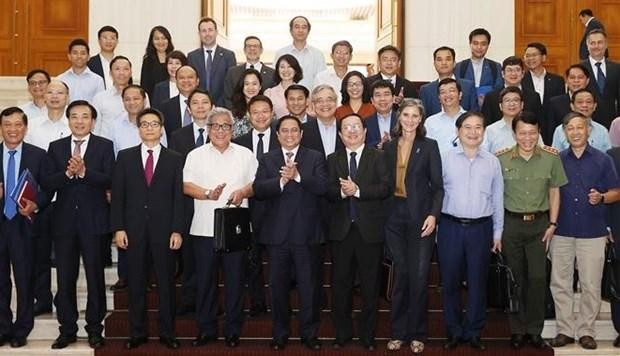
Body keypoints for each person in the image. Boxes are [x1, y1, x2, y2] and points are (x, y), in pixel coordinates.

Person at [111, 108, 184, 350]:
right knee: (136, 284)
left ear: (161, 128)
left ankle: (167, 332)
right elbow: (118, 196)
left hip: (165, 232)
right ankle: (137, 332)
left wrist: (177, 230)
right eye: (145, 124)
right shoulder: (125, 157)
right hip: (133, 231)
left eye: (154, 124)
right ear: (139, 128)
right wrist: (118, 228)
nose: (150, 128)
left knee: (166, 285)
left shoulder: (175, 158)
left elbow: (178, 198)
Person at [182, 108, 256, 348]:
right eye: (216, 126)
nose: (221, 130)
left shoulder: (245, 154)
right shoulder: (195, 154)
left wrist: (243, 192)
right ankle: (207, 329)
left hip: (236, 229)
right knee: (205, 282)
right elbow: (185, 185)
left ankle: (233, 329)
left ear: (232, 130)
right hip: (204, 229)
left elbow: (256, 183)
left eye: (226, 126)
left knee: (235, 281)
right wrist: (207, 193)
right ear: (208, 128)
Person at [253, 115, 328, 351]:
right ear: (277, 135)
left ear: (301, 133)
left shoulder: (314, 157)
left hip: (307, 236)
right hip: (277, 237)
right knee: (278, 289)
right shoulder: (267, 159)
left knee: (309, 288)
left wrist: (298, 177)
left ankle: (309, 333)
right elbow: (259, 189)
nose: (289, 135)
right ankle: (280, 333)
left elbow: (323, 186)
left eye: (294, 130)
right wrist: (281, 181)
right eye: (284, 131)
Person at [44, 100, 114, 350]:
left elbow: (110, 178)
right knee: (65, 279)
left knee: (95, 278)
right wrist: (67, 174)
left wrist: (84, 172)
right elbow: (48, 182)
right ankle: (67, 330)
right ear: (68, 119)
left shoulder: (104, 146)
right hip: (63, 224)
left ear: (93, 121)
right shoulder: (56, 147)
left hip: (94, 223)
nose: (80, 121)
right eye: (75, 116)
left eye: (85, 117)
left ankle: (95, 329)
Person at [548, 111, 620, 350]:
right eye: (571, 128)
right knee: (560, 283)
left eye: (580, 127)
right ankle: (565, 330)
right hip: (562, 230)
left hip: (593, 230)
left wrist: (602, 197)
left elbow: (616, 192)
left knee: (591, 284)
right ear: (565, 132)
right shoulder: (556, 159)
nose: (576, 132)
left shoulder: (603, 159)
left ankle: (587, 330)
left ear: (588, 130)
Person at [496, 111, 568, 350]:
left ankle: (535, 330)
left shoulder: (551, 158)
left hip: (539, 225)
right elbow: (495, 196)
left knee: (538, 278)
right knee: (514, 279)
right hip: (511, 225)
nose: (527, 137)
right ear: (515, 134)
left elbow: (555, 192)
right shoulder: (501, 159)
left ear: (539, 133)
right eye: (522, 133)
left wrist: (553, 224)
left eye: (532, 133)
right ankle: (517, 330)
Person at [383, 98, 443, 354]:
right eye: (405, 115)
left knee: (419, 277)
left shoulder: (429, 146)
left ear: (421, 120)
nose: (409, 120)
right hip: (393, 217)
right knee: (401, 275)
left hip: (421, 218)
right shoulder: (387, 147)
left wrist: (433, 215)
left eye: (414, 116)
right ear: (399, 118)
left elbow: (438, 187)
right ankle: (398, 332)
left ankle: (418, 333)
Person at [439, 112, 503, 351]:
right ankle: (454, 330)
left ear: (484, 132)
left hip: (481, 229)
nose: (473, 132)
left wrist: (498, 233)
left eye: (478, 127)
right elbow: (435, 194)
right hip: (450, 227)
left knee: (478, 282)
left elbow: (497, 199)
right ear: (458, 131)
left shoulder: (492, 161)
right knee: (450, 282)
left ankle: (474, 330)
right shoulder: (444, 158)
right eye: (467, 127)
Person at [326, 113, 390, 351]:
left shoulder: (379, 156)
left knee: (370, 286)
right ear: (341, 135)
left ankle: (367, 335)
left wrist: (359, 191)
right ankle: (342, 333)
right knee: (340, 285)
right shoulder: (333, 159)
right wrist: (343, 192)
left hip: (369, 231)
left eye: (356, 127)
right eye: (346, 128)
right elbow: (328, 191)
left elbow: (385, 187)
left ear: (365, 131)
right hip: (342, 232)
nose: (351, 131)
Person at [0, 107, 52, 348]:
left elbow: (48, 189)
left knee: (24, 279)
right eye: (7, 125)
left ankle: (22, 329)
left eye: (17, 124)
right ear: (1, 128)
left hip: (24, 226)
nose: (12, 129)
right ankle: (2, 327)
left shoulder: (38, 154)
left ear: (25, 127)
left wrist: (36, 204)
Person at [233, 95, 280, 318]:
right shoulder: (238, 142)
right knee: (251, 260)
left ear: (272, 114)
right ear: (249, 116)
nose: (261, 116)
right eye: (256, 112)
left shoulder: (283, 138)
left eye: (265, 111)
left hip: (279, 209)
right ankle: (258, 302)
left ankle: (279, 304)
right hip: (248, 208)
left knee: (278, 261)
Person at [169, 88, 213, 316]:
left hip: (214, 203)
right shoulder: (178, 136)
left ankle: (211, 301)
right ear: (188, 108)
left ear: (212, 107)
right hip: (188, 202)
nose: (200, 107)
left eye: (205, 102)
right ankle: (188, 299)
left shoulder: (221, 133)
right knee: (189, 256)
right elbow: (176, 174)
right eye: (195, 103)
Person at [187, 17, 236, 107]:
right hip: (199, 107)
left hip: (222, 106)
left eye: (210, 30)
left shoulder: (228, 56)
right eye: (204, 31)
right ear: (199, 34)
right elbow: (191, 84)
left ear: (216, 32)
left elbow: (231, 84)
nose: (207, 34)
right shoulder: (192, 56)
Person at [480, 56, 542, 126]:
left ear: (523, 73)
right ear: (503, 74)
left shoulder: (533, 97)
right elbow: (486, 124)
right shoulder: (491, 97)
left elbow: (539, 123)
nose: (513, 74)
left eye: (517, 70)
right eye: (509, 70)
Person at [419, 46, 478, 116]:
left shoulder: (468, 86)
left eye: (448, 59)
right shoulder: (426, 90)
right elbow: (422, 118)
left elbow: (475, 115)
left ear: (454, 63)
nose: (444, 63)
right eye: (439, 60)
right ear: (434, 64)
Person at [482, 87, 543, 153]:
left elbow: (542, 153)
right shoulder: (490, 130)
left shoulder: (531, 128)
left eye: (516, 100)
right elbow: (484, 156)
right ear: (500, 106)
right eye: (507, 100)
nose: (512, 104)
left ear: (522, 105)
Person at [274, 15, 326, 89]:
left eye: (304, 27)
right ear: (291, 31)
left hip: (311, 98)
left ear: (308, 31)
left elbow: (321, 81)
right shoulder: (281, 53)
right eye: (297, 27)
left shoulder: (318, 54)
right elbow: (276, 78)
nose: (300, 30)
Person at [582, 29, 620, 128]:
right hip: (586, 123)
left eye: (600, 42)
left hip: (612, 123)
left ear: (606, 45)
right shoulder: (579, 68)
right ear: (587, 46)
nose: (596, 46)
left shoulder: (617, 68)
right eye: (592, 43)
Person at [454, 28, 503, 106]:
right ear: (470, 44)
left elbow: (499, 89)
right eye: (475, 43)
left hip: (488, 109)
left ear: (488, 46)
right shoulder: (460, 66)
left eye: (483, 44)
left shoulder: (495, 66)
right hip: (465, 110)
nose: (479, 47)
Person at [224, 36, 275, 109]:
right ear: (244, 50)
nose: (252, 49)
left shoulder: (272, 73)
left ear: (261, 50)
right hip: (238, 116)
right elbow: (227, 97)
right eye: (249, 46)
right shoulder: (232, 72)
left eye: (255, 46)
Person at [545, 64, 592, 143]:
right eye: (572, 77)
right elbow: (550, 132)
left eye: (580, 77)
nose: (576, 81)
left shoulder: (594, 101)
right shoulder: (554, 103)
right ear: (566, 80)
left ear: (587, 81)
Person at [92, 56, 134, 139]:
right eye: (117, 69)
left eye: (126, 69)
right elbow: (95, 128)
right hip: (107, 147)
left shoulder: (141, 96)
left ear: (131, 72)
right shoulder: (100, 98)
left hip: (132, 146)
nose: (121, 73)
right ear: (110, 73)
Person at [424, 78, 467, 153]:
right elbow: (426, 150)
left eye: (451, 91)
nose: (447, 95)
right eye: (443, 92)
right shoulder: (430, 122)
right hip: (439, 164)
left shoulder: (471, 119)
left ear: (460, 95)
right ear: (439, 98)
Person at [26, 80, 71, 151]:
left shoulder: (76, 125)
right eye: (50, 92)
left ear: (67, 97)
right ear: (44, 97)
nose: (55, 96)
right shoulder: (31, 125)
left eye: (60, 93)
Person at [301, 84, 344, 158]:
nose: (325, 104)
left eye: (329, 100)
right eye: (320, 101)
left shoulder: (345, 127)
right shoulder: (303, 130)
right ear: (313, 105)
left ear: (336, 103)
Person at [159, 65, 200, 137]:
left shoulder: (207, 105)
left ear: (197, 81)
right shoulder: (165, 107)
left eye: (190, 77)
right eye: (181, 78)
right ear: (176, 81)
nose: (186, 81)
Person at [522, 42, 565, 107]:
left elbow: (560, 104)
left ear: (543, 57)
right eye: (527, 56)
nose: (530, 58)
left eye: (534, 55)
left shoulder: (557, 81)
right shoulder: (521, 79)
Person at [607, 145, 620, 348]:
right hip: (618, 227)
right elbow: (608, 192)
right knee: (619, 281)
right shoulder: (613, 155)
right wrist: (607, 226)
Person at [265, 54, 303, 119]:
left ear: (296, 70)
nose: (286, 70)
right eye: (282, 67)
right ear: (277, 70)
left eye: (289, 66)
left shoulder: (304, 92)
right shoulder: (269, 93)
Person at [140, 26, 174, 98]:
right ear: (152, 41)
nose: (160, 42)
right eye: (157, 39)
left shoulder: (175, 58)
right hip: (154, 101)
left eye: (164, 38)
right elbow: (144, 86)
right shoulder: (147, 61)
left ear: (168, 40)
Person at [231, 68, 264, 138]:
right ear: (242, 86)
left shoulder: (268, 109)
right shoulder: (233, 112)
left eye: (254, 84)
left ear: (260, 87)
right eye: (247, 84)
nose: (250, 87)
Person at [365, 80, 398, 148]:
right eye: (378, 95)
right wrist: (379, 144)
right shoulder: (365, 123)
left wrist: (391, 143)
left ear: (393, 98)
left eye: (386, 94)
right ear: (372, 101)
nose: (382, 99)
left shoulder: (402, 120)